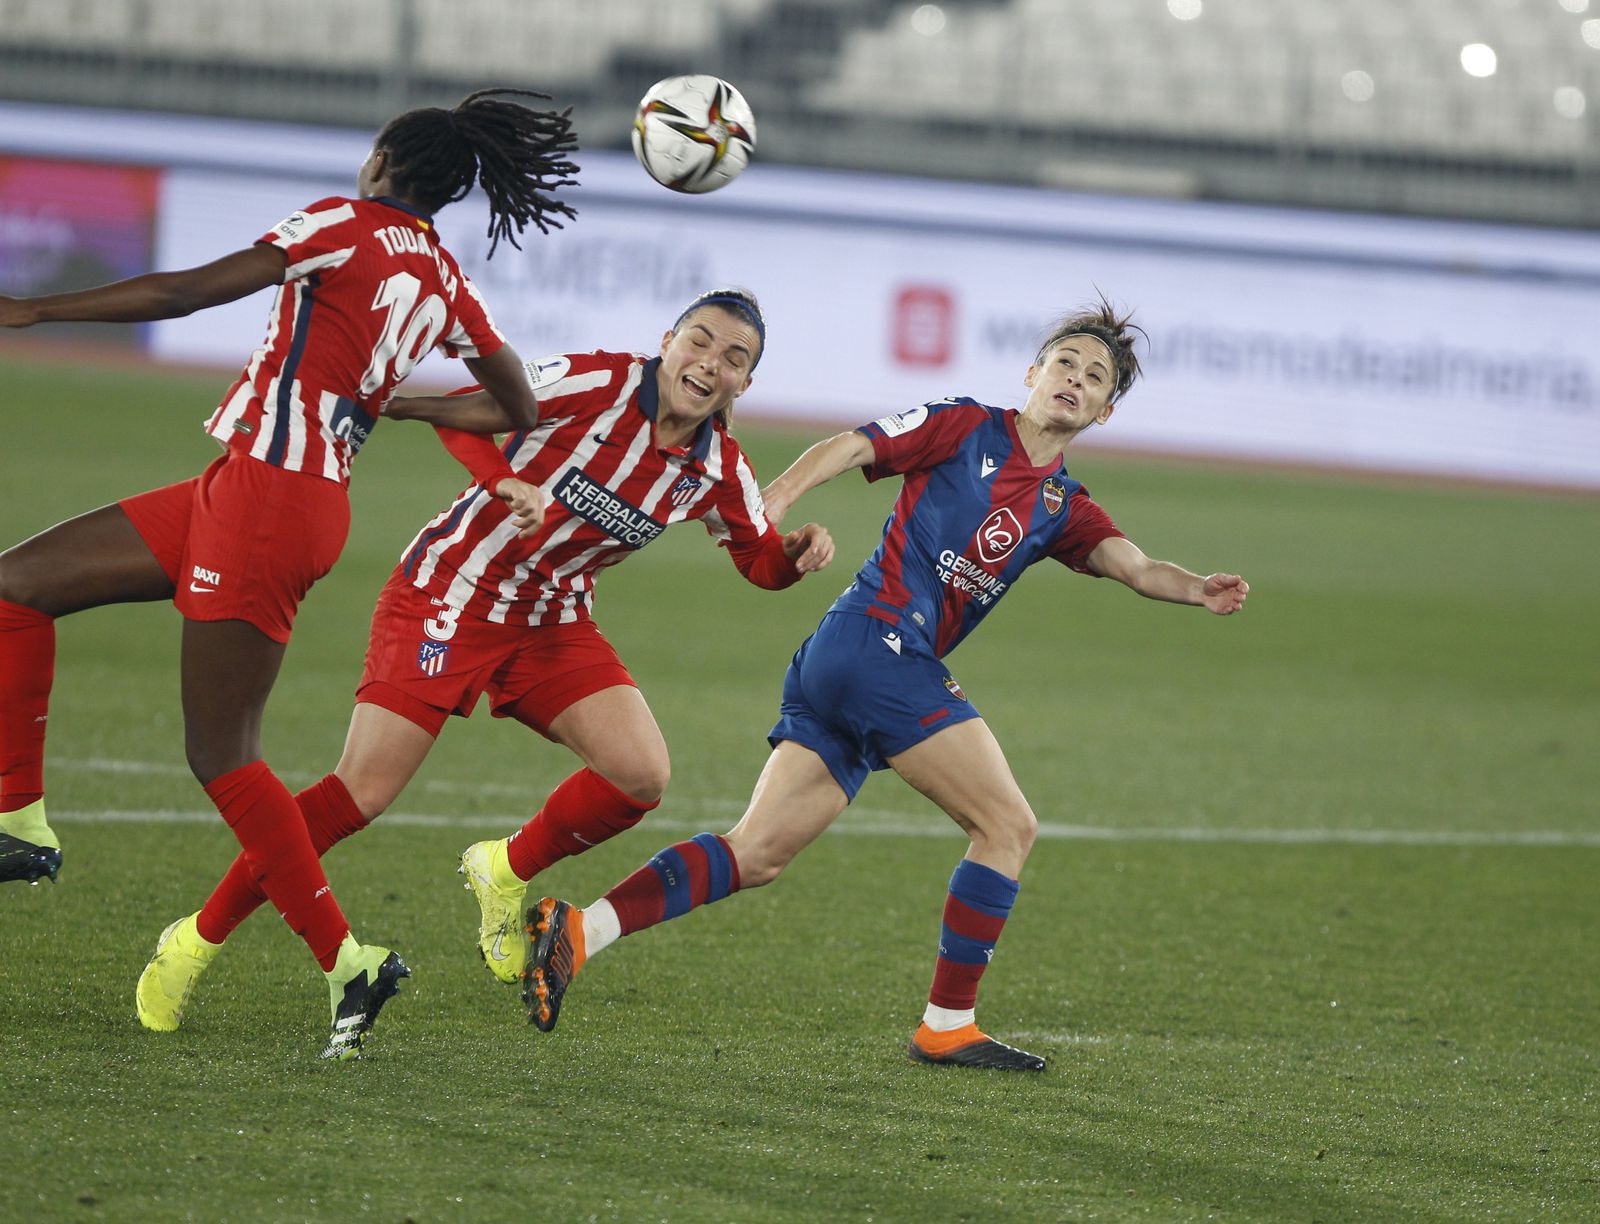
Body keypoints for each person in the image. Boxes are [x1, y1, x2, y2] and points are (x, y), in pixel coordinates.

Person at [520, 297, 1250, 1071]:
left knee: (758, 852)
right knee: (1008, 827)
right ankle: (947, 1023)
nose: (1075, 378)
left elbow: (1135, 567)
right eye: (1064, 363)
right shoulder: (966, 427)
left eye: (1094, 377)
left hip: (848, 661)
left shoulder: (1063, 506)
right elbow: (852, 445)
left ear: (1105, 411)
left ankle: (578, 930)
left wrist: (1196, 586)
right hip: (879, 646)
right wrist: (774, 499)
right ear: (1032, 372)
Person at [0, 89, 580, 1059]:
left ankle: (348, 961)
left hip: (268, 499)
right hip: (259, 490)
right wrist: (392, 404)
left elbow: (190, 292)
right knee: (19, 586)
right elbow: (517, 399)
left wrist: (36, 309)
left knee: (222, 754)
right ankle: (20, 818)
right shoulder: (441, 274)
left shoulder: (345, 225)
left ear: (384, 163)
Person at [129, 287, 835, 1031]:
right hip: (451, 595)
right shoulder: (594, 382)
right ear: (668, 341)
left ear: (744, 386)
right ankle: (192, 943)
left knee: (639, 775)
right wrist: (503, 479)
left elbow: (756, 557)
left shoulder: (717, 466)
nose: (709, 364)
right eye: (699, 341)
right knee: (361, 792)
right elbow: (466, 408)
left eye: (734, 359)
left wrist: (796, 557)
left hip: (549, 620)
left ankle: (503, 869)